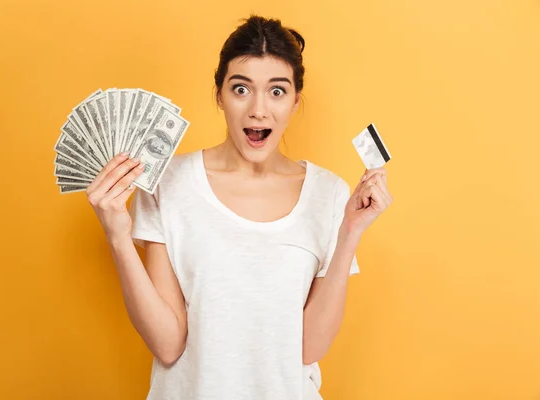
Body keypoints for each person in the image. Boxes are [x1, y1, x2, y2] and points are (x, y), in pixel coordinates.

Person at [85, 15, 393, 400]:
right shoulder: (168, 183)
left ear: (296, 101)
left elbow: (309, 349)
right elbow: (168, 345)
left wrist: (350, 232)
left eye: (277, 91)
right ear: (219, 95)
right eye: (241, 89)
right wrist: (117, 237)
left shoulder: (329, 194)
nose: (258, 110)